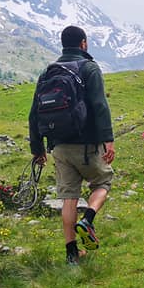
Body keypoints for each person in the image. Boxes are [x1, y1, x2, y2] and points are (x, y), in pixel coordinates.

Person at [29, 26, 115, 265]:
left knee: (69, 197)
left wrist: (37, 149)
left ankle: (71, 254)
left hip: (59, 146)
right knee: (103, 182)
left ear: (63, 44)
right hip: (86, 145)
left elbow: (34, 114)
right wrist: (108, 139)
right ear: (83, 43)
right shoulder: (89, 68)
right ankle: (87, 220)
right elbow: (100, 105)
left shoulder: (48, 72)